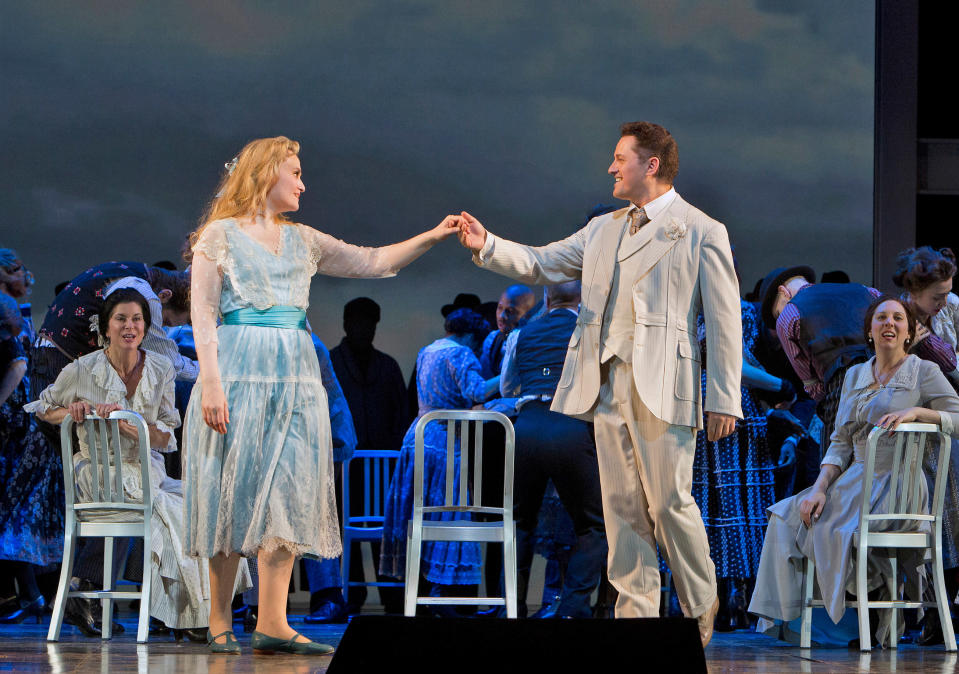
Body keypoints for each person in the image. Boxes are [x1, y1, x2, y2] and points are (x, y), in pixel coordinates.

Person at [454, 121, 743, 647]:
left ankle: (700, 609)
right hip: (607, 383)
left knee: (670, 504)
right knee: (622, 510)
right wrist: (487, 244)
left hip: (664, 383)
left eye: (619, 158)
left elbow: (725, 323)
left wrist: (724, 396)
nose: (611, 167)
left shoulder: (701, 230)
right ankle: (637, 626)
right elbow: (542, 262)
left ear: (649, 165)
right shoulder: (603, 229)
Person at [182, 136, 458, 655]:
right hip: (240, 371)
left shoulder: (302, 240)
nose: (303, 183)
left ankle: (273, 621)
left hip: (295, 377)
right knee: (231, 490)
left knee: (286, 493)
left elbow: (373, 261)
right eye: (296, 172)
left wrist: (435, 235)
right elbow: (202, 316)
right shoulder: (219, 236)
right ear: (267, 174)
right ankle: (219, 618)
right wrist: (212, 383)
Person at [748, 295, 959, 646]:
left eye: (897, 319)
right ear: (870, 331)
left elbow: (957, 416)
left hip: (898, 484)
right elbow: (841, 442)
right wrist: (818, 487)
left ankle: (850, 622)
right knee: (786, 516)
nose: (889, 323)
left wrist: (919, 414)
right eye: (881, 318)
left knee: (833, 526)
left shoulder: (924, 371)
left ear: (908, 332)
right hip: (854, 478)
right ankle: (801, 627)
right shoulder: (856, 374)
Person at [25, 288, 217, 634]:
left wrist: (134, 429)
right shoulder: (83, 369)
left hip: (147, 471)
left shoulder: (160, 368)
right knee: (170, 509)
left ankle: (187, 610)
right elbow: (43, 407)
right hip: (98, 472)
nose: (130, 326)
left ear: (146, 326)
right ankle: (183, 614)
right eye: (121, 319)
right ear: (106, 327)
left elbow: (166, 436)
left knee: (199, 506)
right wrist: (73, 410)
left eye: (137, 319)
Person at [500, 280, 607, 619]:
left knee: (518, 521)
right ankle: (574, 607)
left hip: (527, 428)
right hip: (570, 426)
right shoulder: (589, 331)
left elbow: (507, 386)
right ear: (583, 296)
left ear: (546, 297)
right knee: (593, 525)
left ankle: (512, 609)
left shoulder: (523, 333)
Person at [379, 308, 499, 600]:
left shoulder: (427, 350)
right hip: (445, 438)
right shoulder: (461, 353)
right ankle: (443, 589)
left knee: (420, 514)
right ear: (470, 335)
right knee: (448, 510)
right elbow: (477, 391)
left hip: (418, 435)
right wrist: (507, 378)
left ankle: (421, 588)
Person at [328, 297, 407, 616]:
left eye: (370, 324)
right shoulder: (331, 362)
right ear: (347, 324)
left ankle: (392, 597)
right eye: (359, 322)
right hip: (341, 465)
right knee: (338, 531)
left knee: (385, 531)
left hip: (382, 468)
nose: (365, 329)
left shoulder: (386, 366)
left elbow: (401, 416)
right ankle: (349, 595)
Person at [0, 278, 64, 623]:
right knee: (20, 515)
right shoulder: (20, 333)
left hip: (31, 435)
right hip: (26, 436)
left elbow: (20, 368)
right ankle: (33, 596)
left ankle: (38, 596)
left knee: (23, 514)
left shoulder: (20, 340)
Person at [894, 246, 959, 386]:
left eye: (947, 293)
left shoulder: (951, 303)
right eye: (937, 298)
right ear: (914, 292)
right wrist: (905, 347)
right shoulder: (894, 319)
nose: (944, 302)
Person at [479, 284, 536, 378]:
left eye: (510, 311)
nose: (501, 316)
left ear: (528, 315)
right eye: (500, 308)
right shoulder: (493, 338)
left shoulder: (533, 344)